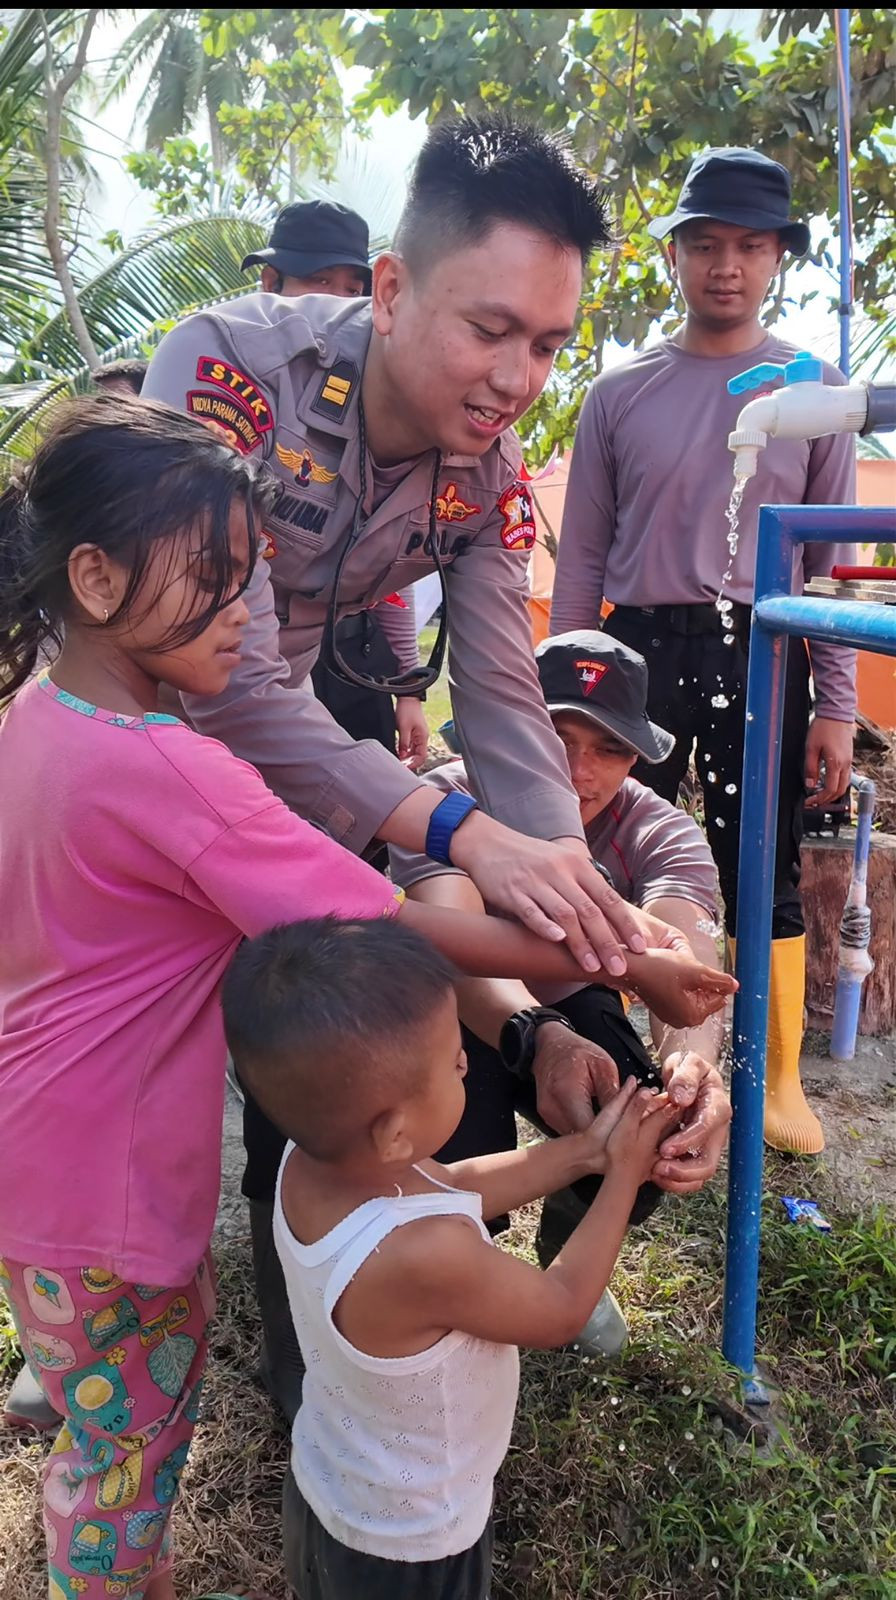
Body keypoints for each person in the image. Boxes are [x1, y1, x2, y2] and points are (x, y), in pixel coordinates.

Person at [0, 401, 734, 1600]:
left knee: (108, 1442)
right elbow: (391, 923)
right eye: (216, 580)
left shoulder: (41, 717)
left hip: (40, 1157)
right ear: (94, 577)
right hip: (112, 1190)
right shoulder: (167, 765)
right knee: (130, 1453)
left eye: (252, 578)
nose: (246, 615)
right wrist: (621, 962)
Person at [142, 115, 681, 1406]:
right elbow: (224, 679)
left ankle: (333, 1358)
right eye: (490, 329)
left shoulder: (489, 477)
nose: (517, 378)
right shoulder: (228, 376)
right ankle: (92, 1307)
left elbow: (500, 696)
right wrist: (458, 833)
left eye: (547, 344)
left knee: (325, 1032)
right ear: (389, 289)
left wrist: (568, 885)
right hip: (145, 735)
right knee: (130, 1053)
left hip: (302, 727)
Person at [222, 917, 685, 1600]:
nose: (468, 1060)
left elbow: (453, 1186)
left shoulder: (313, 1162)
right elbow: (560, 1308)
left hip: (328, 1485)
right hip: (410, 1546)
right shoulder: (422, 1255)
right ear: (394, 1134)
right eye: (451, 1059)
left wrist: (583, 1154)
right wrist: (621, 1177)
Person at [550, 146, 857, 1156]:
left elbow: (826, 563)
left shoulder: (814, 392)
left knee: (760, 855)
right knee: (596, 848)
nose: (727, 266)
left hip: (762, 644)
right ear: (673, 254)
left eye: (751, 247)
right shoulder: (619, 393)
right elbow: (582, 555)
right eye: (706, 244)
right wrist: (561, 697)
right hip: (633, 647)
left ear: (777, 259)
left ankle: (773, 1076)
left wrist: (834, 704)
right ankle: (610, 1050)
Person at [389, 629, 731, 1352]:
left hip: (578, 997)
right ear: (507, 734)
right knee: (444, 1164)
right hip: (449, 1004)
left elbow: (688, 956)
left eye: (609, 748)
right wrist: (541, 1037)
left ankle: (568, 1248)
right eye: (555, 739)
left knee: (647, 1126)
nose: (579, 772)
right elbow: (455, 949)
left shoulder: (659, 828)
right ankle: (462, 1274)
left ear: (637, 757)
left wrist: (694, 1064)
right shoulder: (441, 801)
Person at [243, 198, 429, 769]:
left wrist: (409, 688)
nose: (337, 302)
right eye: (319, 282)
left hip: (347, 648)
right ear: (270, 283)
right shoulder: (238, 389)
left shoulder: (380, 406)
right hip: (241, 652)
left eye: (352, 288)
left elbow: (392, 562)